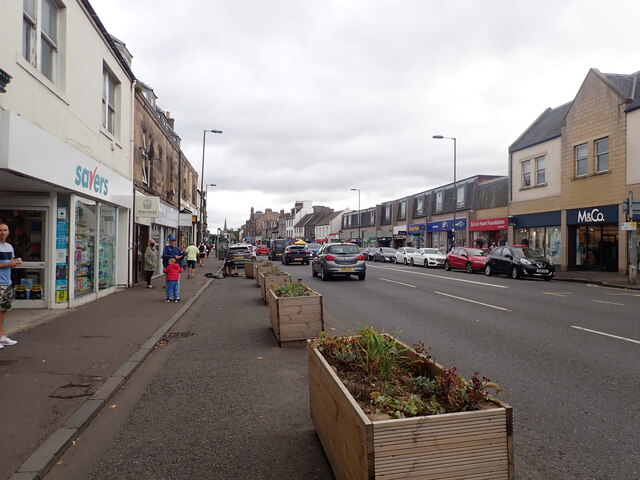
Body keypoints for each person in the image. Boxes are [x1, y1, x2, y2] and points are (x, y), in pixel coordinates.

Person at [0, 223, 22, 349]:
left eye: (4, 230)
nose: (2, 232)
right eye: (0, 230)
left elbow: (11, 262)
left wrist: (16, 262)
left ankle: (2, 337)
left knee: (3, 310)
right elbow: (7, 263)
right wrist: (8, 264)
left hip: (7, 282)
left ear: (8, 232)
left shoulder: (9, 246)